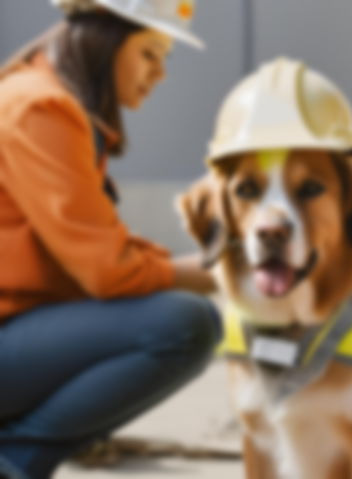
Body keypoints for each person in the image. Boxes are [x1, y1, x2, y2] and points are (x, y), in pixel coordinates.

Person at [0, 1, 220, 477]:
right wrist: (211, 277)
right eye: (149, 53)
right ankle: (15, 459)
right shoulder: (42, 108)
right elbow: (106, 271)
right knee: (185, 325)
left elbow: (97, 247)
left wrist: (178, 268)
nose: (160, 73)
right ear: (104, 40)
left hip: (16, 326)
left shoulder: (42, 99)